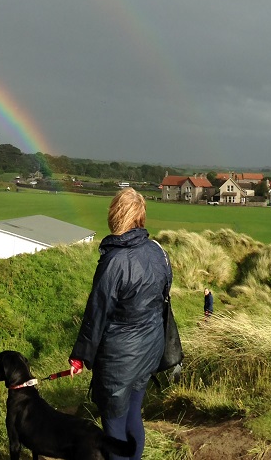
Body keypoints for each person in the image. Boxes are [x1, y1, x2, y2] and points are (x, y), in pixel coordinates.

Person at [68, 188, 172, 460]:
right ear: (140, 216)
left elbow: (97, 311)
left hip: (120, 358)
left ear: (116, 215)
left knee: (114, 425)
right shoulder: (158, 251)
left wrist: (80, 356)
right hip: (151, 347)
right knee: (133, 413)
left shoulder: (115, 260)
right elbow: (164, 295)